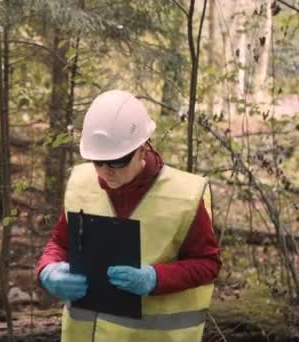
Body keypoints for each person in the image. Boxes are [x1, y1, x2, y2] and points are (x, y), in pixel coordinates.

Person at [35, 90, 221, 341]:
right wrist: (48, 270)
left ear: (142, 149)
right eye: (97, 162)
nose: (106, 171)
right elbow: (59, 243)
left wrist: (156, 278)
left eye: (118, 161)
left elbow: (208, 264)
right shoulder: (82, 183)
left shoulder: (184, 196)